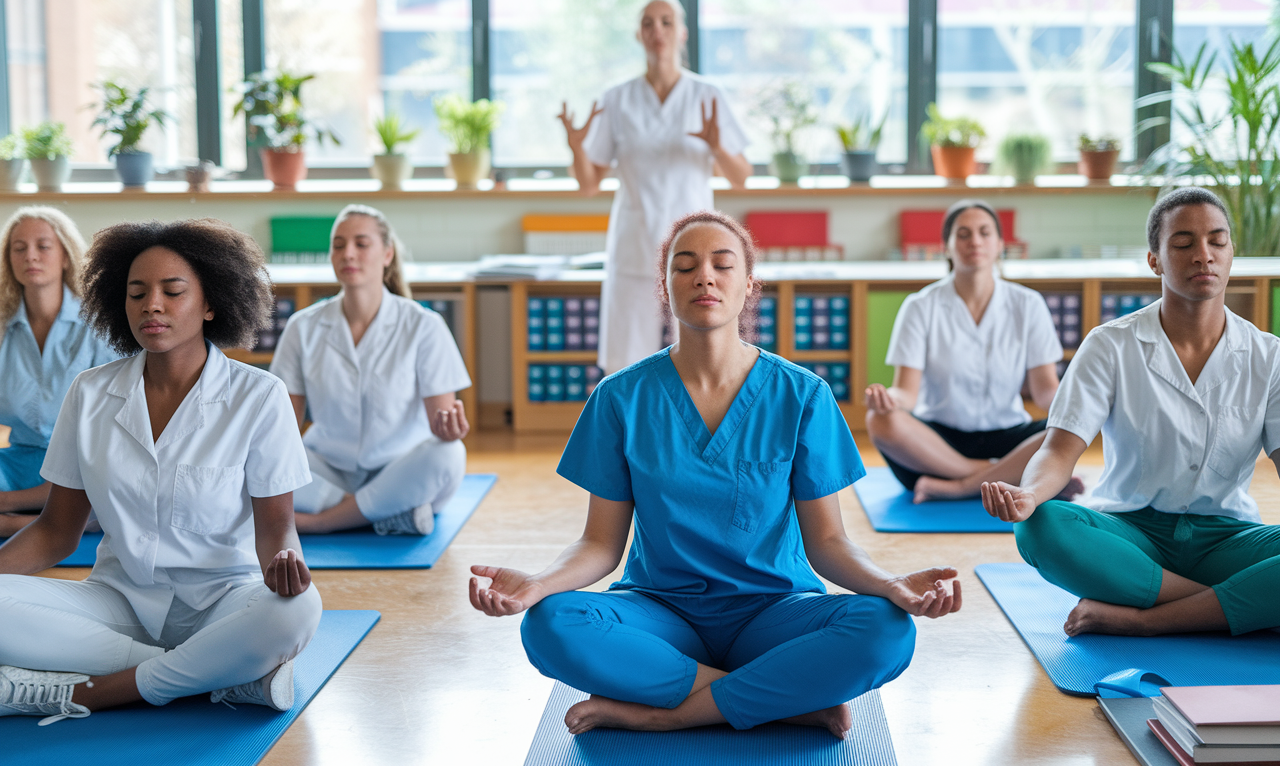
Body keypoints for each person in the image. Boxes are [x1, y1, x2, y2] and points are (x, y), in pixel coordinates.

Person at [469, 210, 960, 738]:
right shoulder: (620, 397)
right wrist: (538, 585)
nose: (705, 276)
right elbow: (600, 545)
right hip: (660, 611)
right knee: (550, 625)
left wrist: (891, 586)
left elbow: (828, 543)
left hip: (776, 611)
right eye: (685, 266)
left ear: (748, 284)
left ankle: (675, 713)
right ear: (665, 286)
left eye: (722, 265)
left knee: (886, 629)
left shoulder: (802, 395)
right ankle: (783, 699)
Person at [0, 218, 321, 724]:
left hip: (224, 603)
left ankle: (93, 691)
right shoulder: (88, 392)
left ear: (211, 303)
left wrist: (284, 568)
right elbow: (57, 532)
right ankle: (219, 676)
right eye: (136, 293)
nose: (152, 304)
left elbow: (276, 529)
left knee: (298, 611)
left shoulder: (259, 397)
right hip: (116, 604)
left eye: (173, 292)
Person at [982, 187, 1280, 637]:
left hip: (1228, 536)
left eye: (1217, 241)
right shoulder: (1110, 344)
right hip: (1130, 535)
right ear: (1155, 260)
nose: (1204, 255)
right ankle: (1233, 606)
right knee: (1040, 526)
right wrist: (1030, 494)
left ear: (1231, 252)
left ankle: (1149, 619)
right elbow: (1060, 449)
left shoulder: (1269, 356)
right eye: (1183, 244)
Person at [560, 0, 752, 374]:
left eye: (666, 22)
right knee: (627, 363)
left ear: (681, 33)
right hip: (636, 246)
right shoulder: (617, 100)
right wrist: (576, 148)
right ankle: (631, 432)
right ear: (638, 34)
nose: (657, 30)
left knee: (700, 356)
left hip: (697, 250)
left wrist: (716, 146)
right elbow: (588, 184)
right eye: (648, 23)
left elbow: (741, 177)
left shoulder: (707, 95)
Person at [270, 205, 471, 536]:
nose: (348, 253)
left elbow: (441, 425)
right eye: (338, 245)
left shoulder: (424, 326)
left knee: (448, 454)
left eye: (361, 244)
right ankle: (385, 513)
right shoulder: (302, 326)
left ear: (387, 254)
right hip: (326, 468)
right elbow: (285, 426)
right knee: (256, 459)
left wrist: (450, 430)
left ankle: (322, 522)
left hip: (399, 469)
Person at [865, 199, 1082, 503]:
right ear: (947, 246)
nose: (975, 241)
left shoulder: (1028, 304)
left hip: (1010, 439)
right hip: (937, 446)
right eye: (963, 234)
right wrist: (887, 400)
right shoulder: (920, 306)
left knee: (1064, 431)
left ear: (999, 245)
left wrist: (1081, 410)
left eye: (984, 232)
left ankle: (960, 487)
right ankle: (993, 475)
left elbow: (1046, 393)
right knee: (880, 419)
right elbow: (906, 394)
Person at [0, 207, 116, 536]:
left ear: (65, 256)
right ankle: (50, 521)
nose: (30, 256)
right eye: (18, 248)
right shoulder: (2, 328)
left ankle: (12, 520)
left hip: (84, 465)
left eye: (43, 246)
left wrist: (5, 503)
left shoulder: (98, 325)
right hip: (20, 461)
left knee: (115, 484)